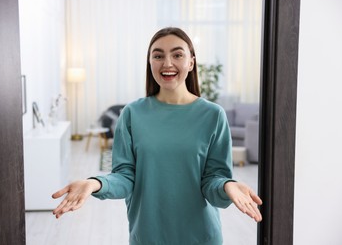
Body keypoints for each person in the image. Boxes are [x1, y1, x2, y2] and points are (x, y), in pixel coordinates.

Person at [52, 27, 262, 245]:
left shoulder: (213, 115)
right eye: (158, 55)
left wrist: (227, 185)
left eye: (177, 54)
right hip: (147, 236)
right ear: (150, 62)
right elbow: (125, 177)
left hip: (201, 237)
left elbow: (213, 182)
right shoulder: (132, 114)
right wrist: (95, 183)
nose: (167, 63)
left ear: (191, 63)